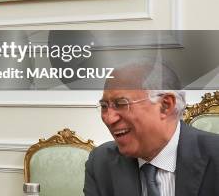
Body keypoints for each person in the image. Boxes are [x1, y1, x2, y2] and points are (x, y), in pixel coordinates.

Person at [84, 61, 219, 195]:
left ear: (165, 106)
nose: (108, 118)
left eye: (121, 104)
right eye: (104, 106)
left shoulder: (215, 155)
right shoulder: (101, 163)